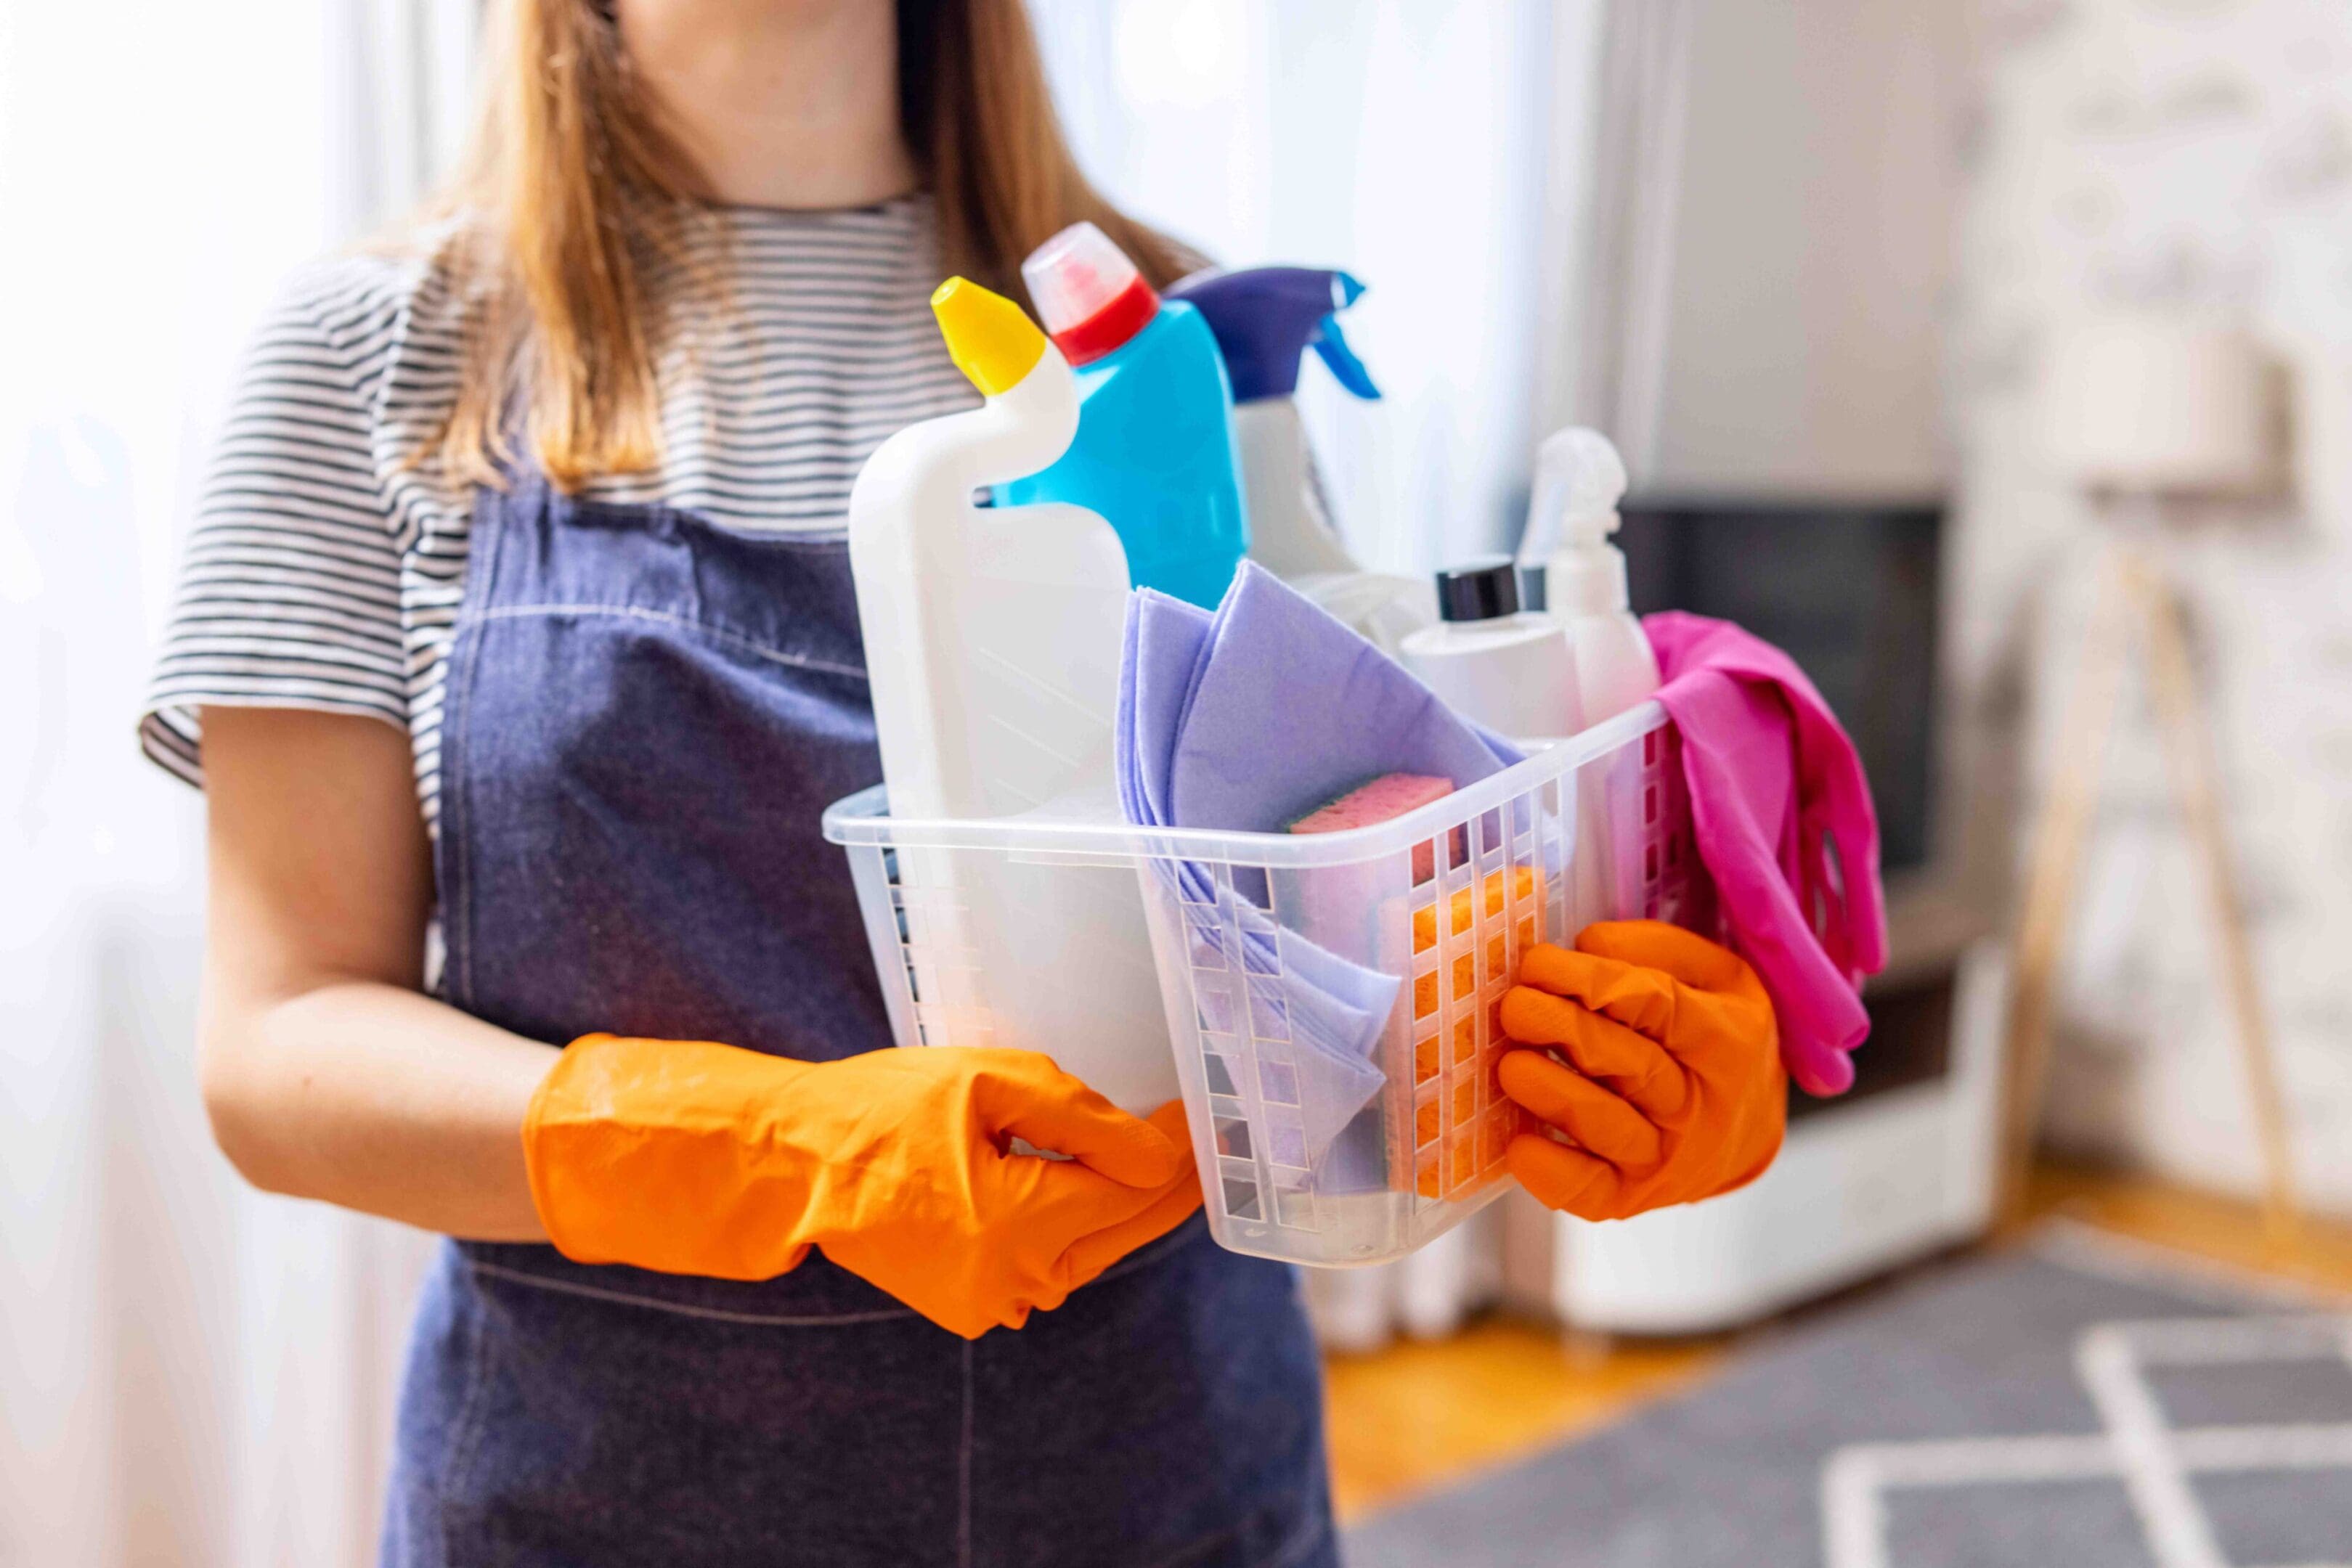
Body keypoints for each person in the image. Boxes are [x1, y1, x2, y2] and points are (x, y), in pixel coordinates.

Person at [142, 1, 1789, 1562]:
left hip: (1167, 1480)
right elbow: (281, 1045)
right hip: (597, 1505)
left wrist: (1577, 1038)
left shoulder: (1181, 341)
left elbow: (1326, 863)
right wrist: (775, 1152)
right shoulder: (374, 361)